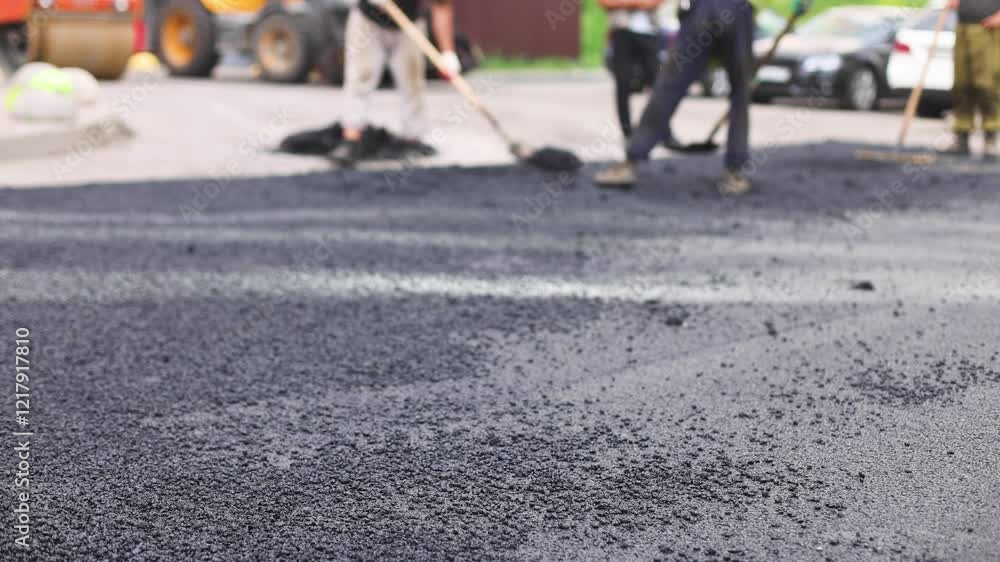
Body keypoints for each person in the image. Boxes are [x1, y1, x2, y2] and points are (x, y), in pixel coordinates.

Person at [595, 0, 808, 195]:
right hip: (738, 10)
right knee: (740, 93)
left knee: (668, 85)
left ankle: (631, 162)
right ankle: (734, 173)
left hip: (701, 10)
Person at [330, 0, 461, 167]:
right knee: (360, 77)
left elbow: (441, 7)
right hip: (368, 20)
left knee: (413, 82)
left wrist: (447, 53)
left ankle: (412, 138)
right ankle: (351, 138)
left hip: (409, 23)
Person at [601, 0, 667, 140]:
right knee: (623, 82)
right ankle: (627, 132)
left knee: (658, 81)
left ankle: (663, 130)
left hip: (649, 31)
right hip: (622, 31)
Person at [945, 0, 1000, 159]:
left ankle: (990, 135)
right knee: (961, 84)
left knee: (986, 85)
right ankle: (962, 135)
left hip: (988, 28)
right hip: (963, 26)